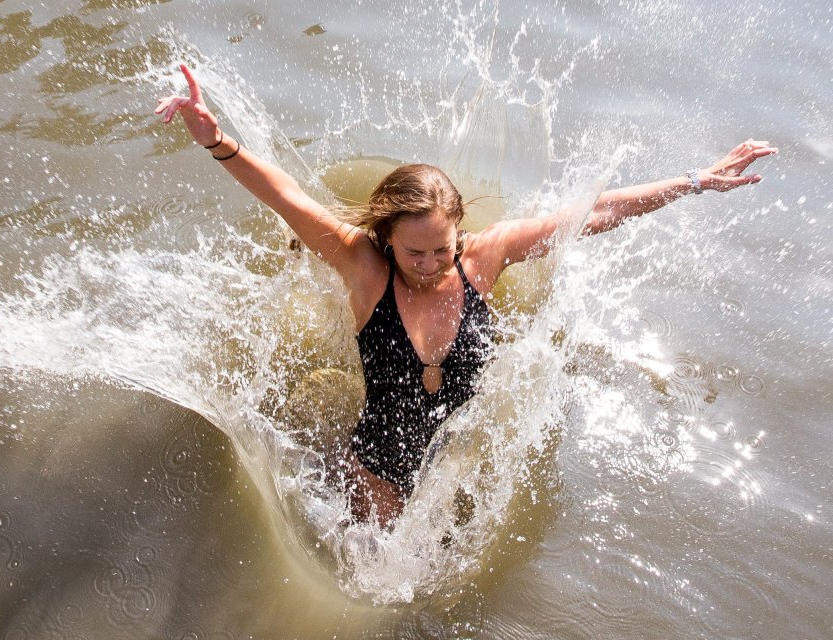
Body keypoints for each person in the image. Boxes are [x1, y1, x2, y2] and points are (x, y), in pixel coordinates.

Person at [155, 64, 777, 527]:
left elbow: (593, 212)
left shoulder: (486, 257)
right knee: (382, 570)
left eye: (440, 249)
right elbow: (285, 195)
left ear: (459, 232)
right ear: (387, 241)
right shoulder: (365, 269)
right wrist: (216, 141)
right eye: (413, 252)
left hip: (452, 454)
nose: (428, 266)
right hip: (376, 463)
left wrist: (697, 180)